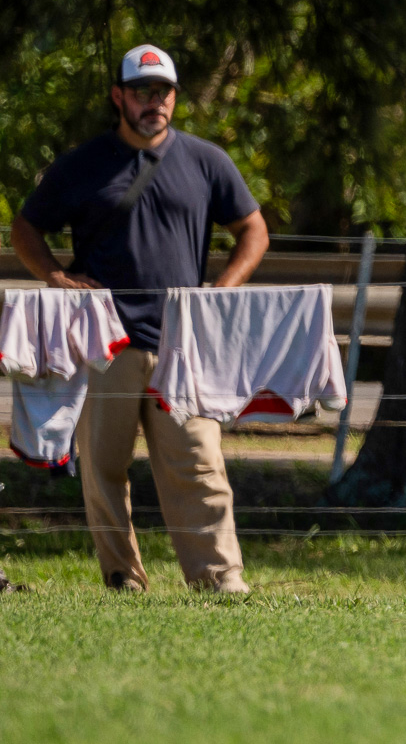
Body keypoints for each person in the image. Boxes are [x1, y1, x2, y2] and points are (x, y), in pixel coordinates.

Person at [11, 45, 269, 592]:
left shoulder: (206, 161)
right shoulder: (82, 166)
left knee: (199, 463)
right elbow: (25, 228)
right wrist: (56, 277)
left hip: (183, 344)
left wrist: (220, 291)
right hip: (106, 343)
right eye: (142, 91)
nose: (155, 102)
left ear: (175, 96)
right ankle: (122, 577)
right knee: (103, 469)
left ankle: (220, 580)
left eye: (164, 91)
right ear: (118, 96)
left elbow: (253, 228)